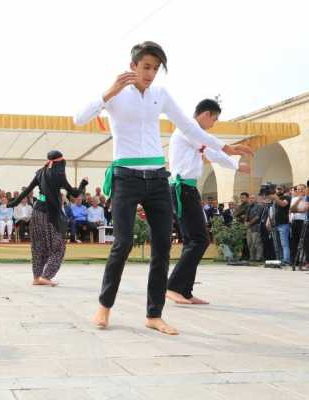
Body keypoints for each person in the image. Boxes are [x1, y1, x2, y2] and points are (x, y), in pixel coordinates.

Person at [73, 41, 252, 335]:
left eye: (156, 68)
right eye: (146, 67)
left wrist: (226, 147)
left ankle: (154, 314)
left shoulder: (160, 95)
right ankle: (104, 307)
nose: (151, 73)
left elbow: (189, 127)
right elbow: (79, 118)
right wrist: (109, 91)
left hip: (157, 177)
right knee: (123, 243)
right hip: (126, 176)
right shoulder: (116, 96)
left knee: (162, 245)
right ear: (132, 66)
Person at [166, 99, 250, 305]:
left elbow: (211, 152)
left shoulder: (194, 135)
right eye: (214, 119)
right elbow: (210, 143)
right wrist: (230, 149)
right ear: (205, 114)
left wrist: (235, 165)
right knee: (199, 240)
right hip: (182, 189)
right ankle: (173, 286)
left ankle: (185, 291)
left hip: (187, 189)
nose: (214, 123)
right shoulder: (189, 128)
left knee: (193, 241)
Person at [9, 151, 88, 286]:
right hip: (50, 214)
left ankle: (36, 277)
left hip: (37, 211)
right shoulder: (59, 175)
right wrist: (83, 184)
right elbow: (74, 193)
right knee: (58, 247)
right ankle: (45, 276)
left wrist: (13, 203)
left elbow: (26, 191)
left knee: (39, 246)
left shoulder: (40, 172)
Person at [268, 185, 291, 265]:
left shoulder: (287, 197)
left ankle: (286, 260)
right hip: (275, 224)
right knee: (277, 244)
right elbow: (271, 211)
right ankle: (280, 260)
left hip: (283, 224)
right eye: (277, 189)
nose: (278, 190)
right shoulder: (274, 200)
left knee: (284, 243)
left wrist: (275, 198)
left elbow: (283, 204)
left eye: (280, 189)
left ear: (284, 190)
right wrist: (269, 222)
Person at [290, 184, 306, 265]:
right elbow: (291, 209)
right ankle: (294, 261)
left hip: (304, 221)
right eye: (299, 189)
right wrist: (299, 199)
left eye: (302, 189)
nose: (300, 191)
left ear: (305, 189)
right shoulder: (294, 199)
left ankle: (303, 260)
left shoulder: (307, 198)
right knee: (294, 242)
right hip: (295, 221)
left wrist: (296, 210)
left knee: (304, 242)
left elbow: (304, 210)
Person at [246, 194, 265, 264]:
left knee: (256, 243)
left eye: (253, 198)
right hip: (249, 228)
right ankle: (252, 257)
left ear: (256, 199)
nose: (251, 199)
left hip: (256, 227)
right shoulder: (249, 207)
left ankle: (259, 257)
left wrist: (249, 223)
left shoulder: (259, 206)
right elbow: (246, 216)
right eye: (250, 198)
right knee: (249, 243)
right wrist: (245, 222)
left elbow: (257, 217)